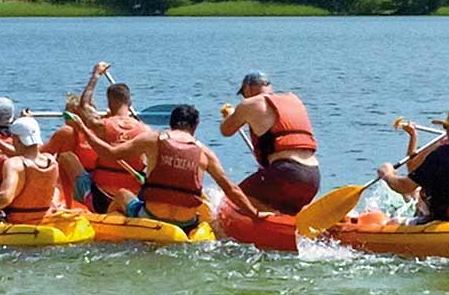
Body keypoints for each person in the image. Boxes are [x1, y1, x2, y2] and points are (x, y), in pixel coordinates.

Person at [66, 104, 257, 232]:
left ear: (171, 123)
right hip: (187, 223)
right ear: (195, 126)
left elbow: (108, 153)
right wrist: (254, 213)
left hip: (152, 216)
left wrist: (82, 128)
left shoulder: (152, 139)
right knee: (206, 202)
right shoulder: (205, 152)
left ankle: (108, 230)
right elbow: (230, 188)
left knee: (123, 195)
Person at [218, 71, 320, 216]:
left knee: (235, 198)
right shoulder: (294, 100)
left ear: (248, 89)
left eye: (243, 93)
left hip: (286, 173)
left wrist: (230, 115)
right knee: (288, 210)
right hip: (313, 177)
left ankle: (274, 220)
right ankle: (291, 221)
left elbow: (225, 130)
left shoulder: (248, 104)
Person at [70, 62, 147, 213]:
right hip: (133, 197)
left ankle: (75, 207)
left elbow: (84, 105)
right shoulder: (145, 131)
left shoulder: (101, 126)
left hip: (101, 199)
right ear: (129, 102)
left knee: (67, 158)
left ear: (109, 103)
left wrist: (95, 75)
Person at [0, 117, 61, 225]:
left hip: (17, 222)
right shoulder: (51, 161)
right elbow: (27, 156)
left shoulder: (14, 164)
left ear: (17, 140)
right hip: (42, 219)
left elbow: (4, 198)